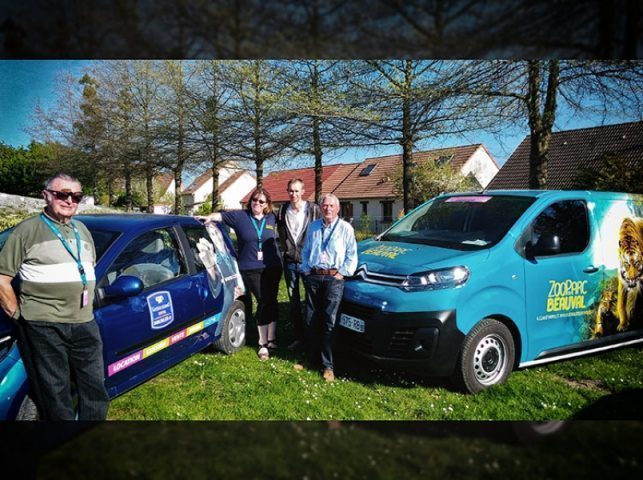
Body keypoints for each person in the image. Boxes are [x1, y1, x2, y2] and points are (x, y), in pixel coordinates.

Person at [0, 173, 109, 420]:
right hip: (44, 325)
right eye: (62, 194)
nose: (69, 200)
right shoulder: (26, 231)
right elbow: (1, 279)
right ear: (46, 195)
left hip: (83, 321)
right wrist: (20, 316)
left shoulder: (82, 229)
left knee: (94, 385)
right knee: (55, 391)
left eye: (76, 196)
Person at [198, 187, 282, 360]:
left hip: (273, 267)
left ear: (267, 204)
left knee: (272, 301)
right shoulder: (240, 217)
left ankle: (273, 338)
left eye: (261, 201)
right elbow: (219, 216)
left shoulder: (271, 217)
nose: (257, 204)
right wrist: (208, 217)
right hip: (250, 268)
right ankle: (262, 344)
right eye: (254, 200)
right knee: (264, 301)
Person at [299, 193, 357, 382]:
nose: (328, 209)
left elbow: (352, 254)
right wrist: (306, 270)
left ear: (338, 208)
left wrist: (342, 273)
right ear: (321, 208)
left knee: (330, 322)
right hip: (314, 277)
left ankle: (328, 366)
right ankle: (309, 358)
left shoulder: (345, 228)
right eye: (325, 205)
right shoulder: (314, 226)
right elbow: (306, 250)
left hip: (334, 279)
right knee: (310, 319)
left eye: (332, 206)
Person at [276, 178, 320, 352]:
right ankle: (298, 338)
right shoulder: (282, 210)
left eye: (296, 191)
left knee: (311, 301)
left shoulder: (314, 210)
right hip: (290, 262)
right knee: (294, 302)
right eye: (290, 191)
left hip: (309, 263)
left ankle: (313, 337)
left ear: (303, 191)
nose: (293, 195)